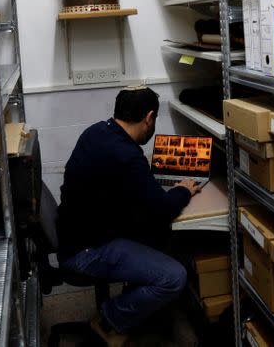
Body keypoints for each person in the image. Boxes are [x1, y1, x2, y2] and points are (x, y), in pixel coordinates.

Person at [56, 86, 202, 345]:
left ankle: (141, 301)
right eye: (154, 119)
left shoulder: (97, 132)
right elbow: (163, 209)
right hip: (86, 251)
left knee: (156, 236)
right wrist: (183, 190)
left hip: (76, 235)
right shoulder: (127, 156)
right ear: (149, 118)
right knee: (173, 276)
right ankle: (108, 319)